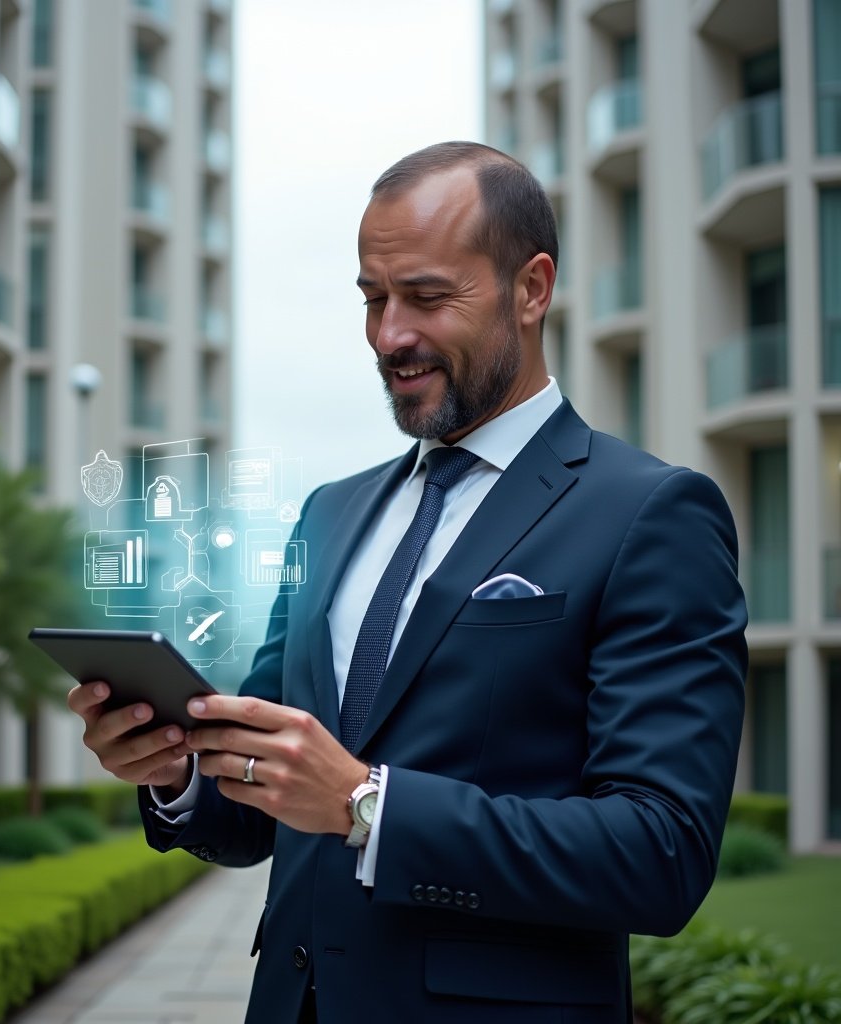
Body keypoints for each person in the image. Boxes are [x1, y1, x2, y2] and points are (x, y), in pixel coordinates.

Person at [69, 141, 747, 1024]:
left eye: (426, 297)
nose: (390, 336)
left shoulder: (650, 512)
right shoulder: (329, 514)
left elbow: (660, 854)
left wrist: (367, 807)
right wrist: (176, 774)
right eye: (373, 299)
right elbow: (265, 807)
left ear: (531, 288)